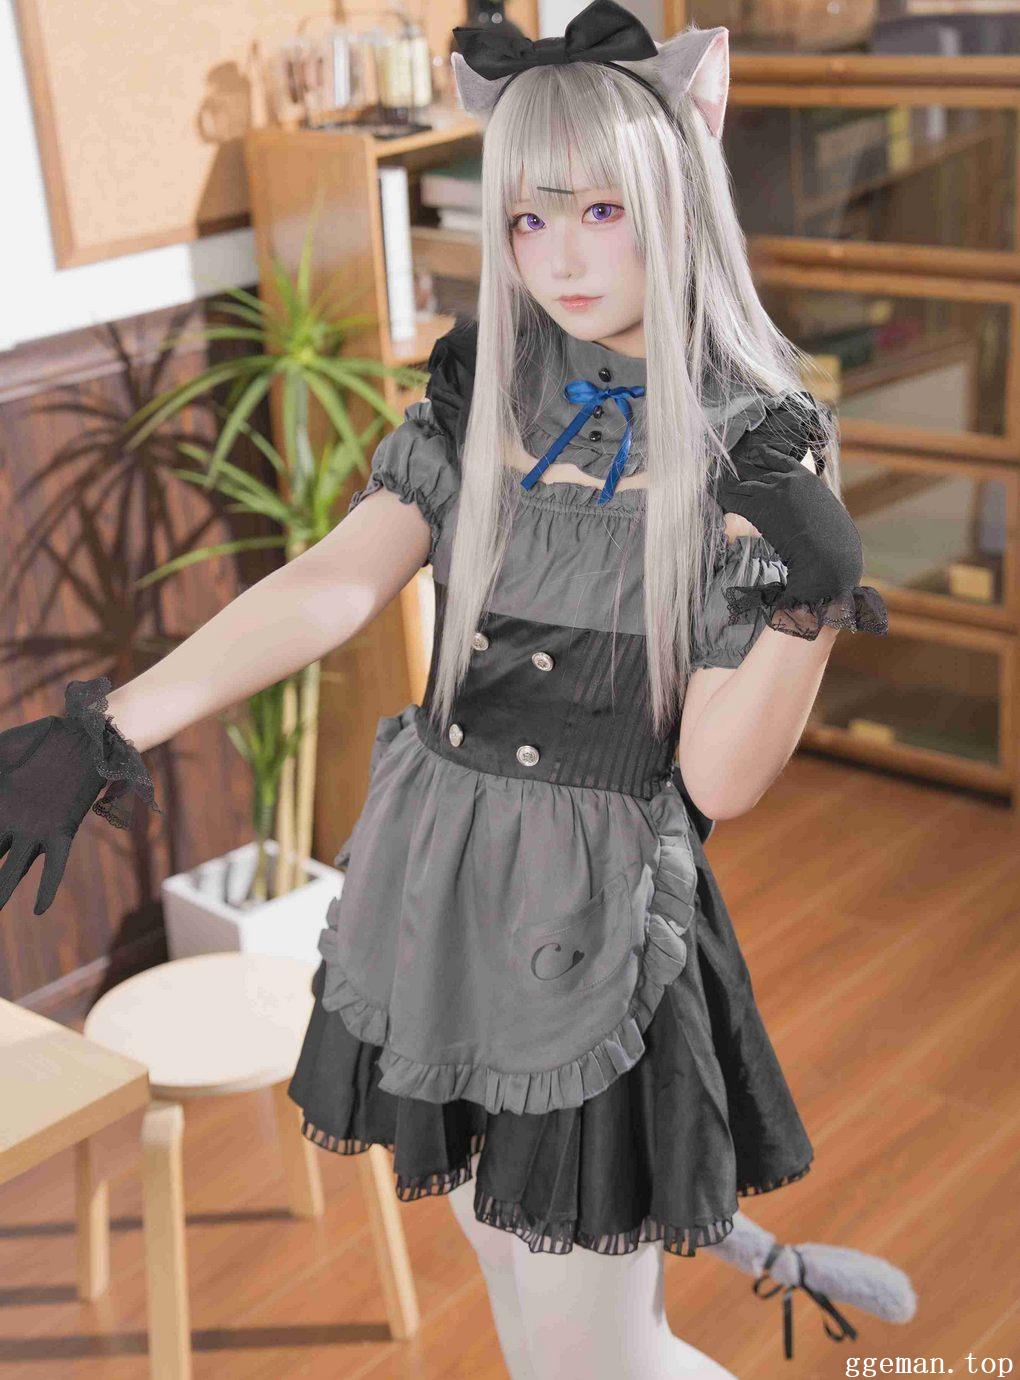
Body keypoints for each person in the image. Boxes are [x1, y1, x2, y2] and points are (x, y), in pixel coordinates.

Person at [0, 4, 889, 1375]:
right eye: (529, 218)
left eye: (601, 210)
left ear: (678, 203)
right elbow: (332, 583)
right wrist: (109, 724)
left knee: (597, 1356)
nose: (561, 256)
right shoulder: (483, 405)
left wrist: (810, 606)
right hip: (438, 886)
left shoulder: (753, 449)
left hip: (593, 926)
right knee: (520, 1301)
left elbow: (716, 779)